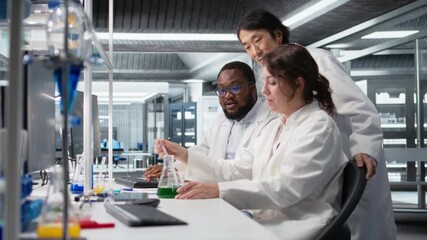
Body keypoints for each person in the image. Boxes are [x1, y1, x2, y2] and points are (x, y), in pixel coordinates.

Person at [156, 44, 348, 240]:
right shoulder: (275, 126)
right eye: (264, 82)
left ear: (298, 84)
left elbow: (285, 187)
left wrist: (218, 190)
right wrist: (184, 155)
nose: (264, 91)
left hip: (298, 227)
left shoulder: (319, 126)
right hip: (265, 221)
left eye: (272, 83)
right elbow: (237, 169)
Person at [236, 9, 395, 240]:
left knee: (360, 229)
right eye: (247, 46)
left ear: (278, 35)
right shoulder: (275, 72)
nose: (255, 51)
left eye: (257, 39)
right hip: (321, 171)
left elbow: (359, 108)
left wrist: (364, 149)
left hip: (351, 161)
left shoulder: (315, 60)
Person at [144, 61, 277, 182]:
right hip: (216, 193)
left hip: (248, 203)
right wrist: (173, 168)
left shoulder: (271, 120)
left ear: (252, 89)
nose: (228, 95)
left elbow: (243, 170)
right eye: (222, 90)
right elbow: (204, 149)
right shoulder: (222, 119)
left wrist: (184, 155)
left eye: (235, 88)